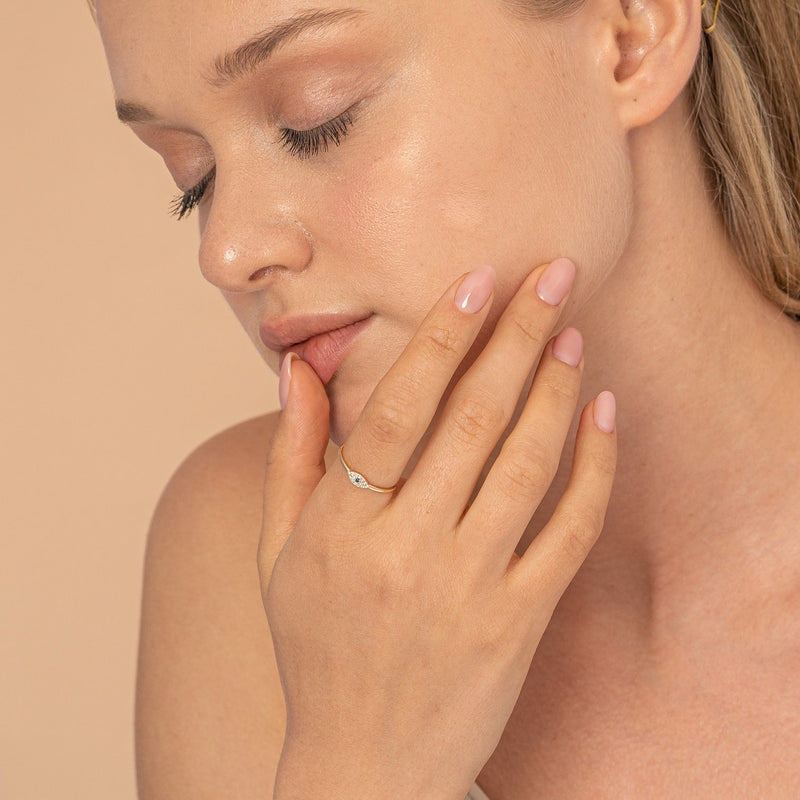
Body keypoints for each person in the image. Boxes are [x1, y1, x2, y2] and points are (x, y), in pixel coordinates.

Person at [94, 0, 800, 796]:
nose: (225, 250)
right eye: (194, 178)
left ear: (633, 36)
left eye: (316, 119)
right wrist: (356, 762)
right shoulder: (256, 555)